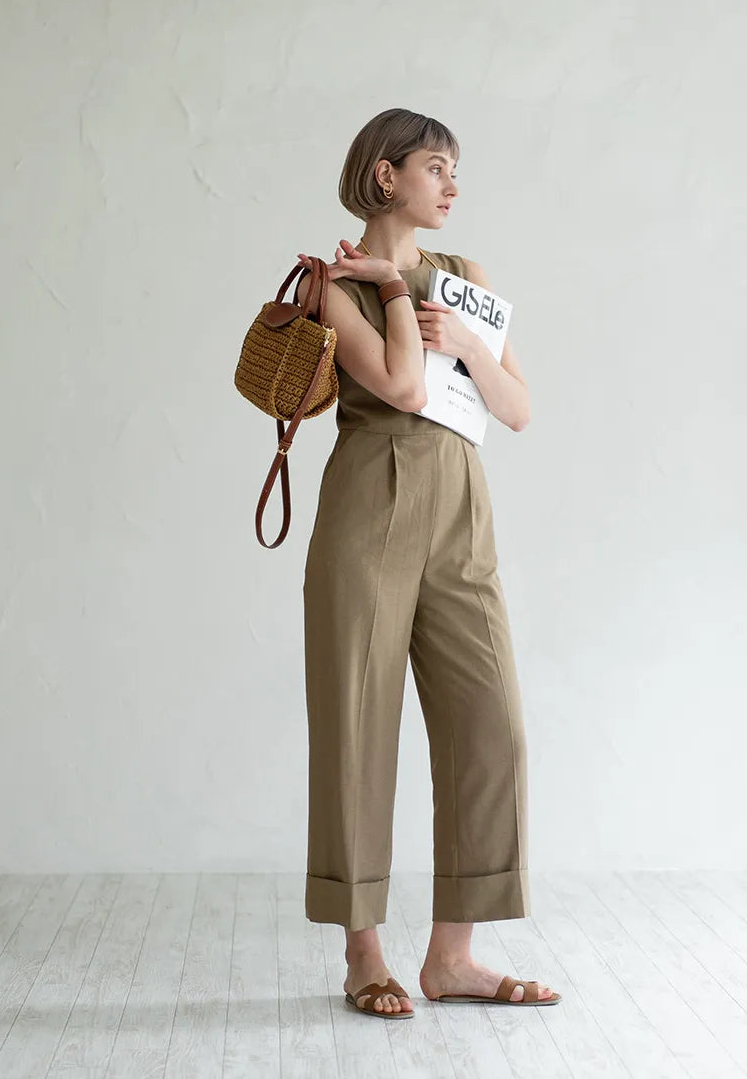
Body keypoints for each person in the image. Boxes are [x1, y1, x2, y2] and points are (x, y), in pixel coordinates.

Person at [295, 108, 561, 1019]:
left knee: (494, 725)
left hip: (460, 511)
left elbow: (519, 408)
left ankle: (453, 958)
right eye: (436, 168)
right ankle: (363, 954)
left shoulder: (469, 278)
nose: (452, 187)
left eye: (455, 172)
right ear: (384, 177)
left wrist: (469, 345)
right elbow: (402, 388)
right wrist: (396, 294)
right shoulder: (334, 284)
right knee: (356, 730)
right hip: (369, 507)